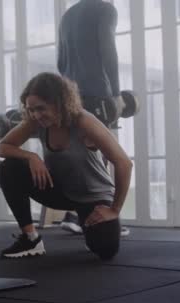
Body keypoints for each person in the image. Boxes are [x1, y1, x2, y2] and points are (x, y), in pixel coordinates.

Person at [0, 72, 133, 260]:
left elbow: (124, 163)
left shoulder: (84, 121)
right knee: (9, 168)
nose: (36, 114)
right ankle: (30, 239)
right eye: (31, 109)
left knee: (105, 250)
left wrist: (114, 210)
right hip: (60, 191)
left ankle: (87, 222)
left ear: (59, 103)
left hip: (92, 196)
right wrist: (31, 157)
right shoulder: (36, 122)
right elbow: (2, 147)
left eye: (41, 108)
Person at [58, 0, 131, 236]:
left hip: (70, 93)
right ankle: (98, 218)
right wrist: (116, 93)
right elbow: (108, 48)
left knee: (81, 154)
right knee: (103, 155)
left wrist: (69, 89)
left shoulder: (68, 14)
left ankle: (76, 214)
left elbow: (61, 60)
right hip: (97, 91)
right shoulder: (105, 9)